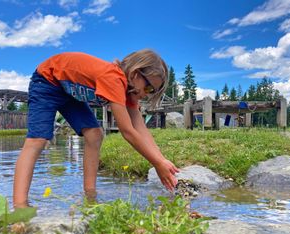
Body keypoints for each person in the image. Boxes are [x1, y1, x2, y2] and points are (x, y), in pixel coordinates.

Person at [13, 49, 179, 208]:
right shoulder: (114, 78)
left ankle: (89, 194)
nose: (147, 95)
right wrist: (156, 163)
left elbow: (140, 129)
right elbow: (128, 131)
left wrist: (162, 161)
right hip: (48, 80)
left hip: (68, 91)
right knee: (38, 140)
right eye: (149, 88)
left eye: (153, 92)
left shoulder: (129, 91)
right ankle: (19, 204)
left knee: (95, 135)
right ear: (136, 73)